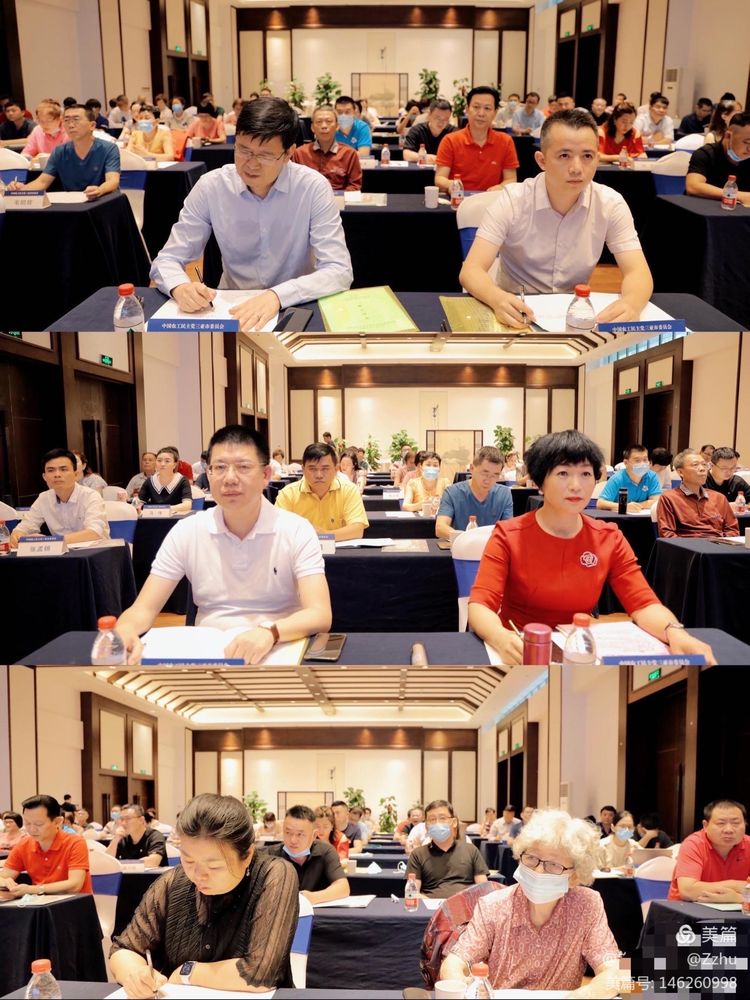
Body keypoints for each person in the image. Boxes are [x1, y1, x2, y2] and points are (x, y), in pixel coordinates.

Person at [467, 430, 716, 665]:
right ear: (540, 481)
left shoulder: (608, 537)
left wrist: (675, 632)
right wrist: (501, 639)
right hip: (521, 648)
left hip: (579, 650)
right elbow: (480, 604)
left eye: (586, 474)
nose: (576, 485)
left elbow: (643, 603)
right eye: (563, 473)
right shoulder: (509, 535)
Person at [115, 425, 331, 665]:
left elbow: (320, 613)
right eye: (219, 467)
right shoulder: (188, 531)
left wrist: (270, 632)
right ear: (208, 473)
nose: (229, 478)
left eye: (243, 467)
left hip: (279, 651)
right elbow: (143, 609)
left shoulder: (296, 530)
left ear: (266, 475)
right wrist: (125, 631)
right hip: (210, 656)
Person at [150, 97, 353, 332]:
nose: (251, 164)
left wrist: (277, 296)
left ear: (289, 153)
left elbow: (339, 270)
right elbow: (167, 259)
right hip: (232, 306)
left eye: (265, 155)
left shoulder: (312, 188)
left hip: (295, 305)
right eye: (243, 150)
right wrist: (180, 287)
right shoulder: (211, 186)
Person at [460, 110, 653, 329]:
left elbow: (637, 272)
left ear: (597, 159)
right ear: (541, 160)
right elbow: (472, 270)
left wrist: (631, 304)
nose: (577, 168)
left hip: (573, 315)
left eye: (587, 156)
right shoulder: (513, 200)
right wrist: (497, 298)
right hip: (516, 312)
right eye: (564, 156)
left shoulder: (610, 204)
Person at [109, 793, 299, 995]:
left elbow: (259, 973)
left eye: (214, 866)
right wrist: (135, 974)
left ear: (247, 856)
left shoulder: (273, 874)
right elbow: (123, 949)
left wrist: (187, 972)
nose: (198, 875)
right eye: (189, 860)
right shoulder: (173, 882)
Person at [440, 810, 622, 996]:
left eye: (554, 865)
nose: (538, 871)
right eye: (531, 858)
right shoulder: (493, 905)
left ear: (574, 876)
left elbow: (618, 972)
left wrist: (582, 996)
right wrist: (459, 985)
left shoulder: (587, 904)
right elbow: (453, 963)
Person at [12, 104, 120, 199]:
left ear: (92, 125)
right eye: (67, 120)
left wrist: (99, 190)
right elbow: (42, 182)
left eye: (76, 120)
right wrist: (22, 189)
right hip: (72, 203)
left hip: (102, 201)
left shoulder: (109, 148)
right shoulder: (60, 151)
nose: (71, 125)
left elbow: (112, 180)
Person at [9, 448, 109, 549]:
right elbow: (25, 526)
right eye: (51, 470)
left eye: (63, 469)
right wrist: (17, 534)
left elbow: (94, 532)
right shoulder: (44, 498)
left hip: (95, 553)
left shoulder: (90, 496)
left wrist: (50, 541)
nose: (57, 475)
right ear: (44, 477)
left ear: (75, 474)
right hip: (61, 554)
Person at [0, 794, 92, 896]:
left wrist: (32, 889)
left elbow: (75, 885)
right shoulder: (24, 845)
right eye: (27, 823)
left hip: (73, 902)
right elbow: (3, 876)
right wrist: (4, 882)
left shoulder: (75, 843)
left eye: (38, 824)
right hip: (39, 903)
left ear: (57, 822)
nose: (32, 829)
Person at [275, 441, 369, 540]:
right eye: (312, 469)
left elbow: (357, 530)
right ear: (303, 469)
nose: (319, 475)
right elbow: (278, 530)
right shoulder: (288, 494)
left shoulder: (349, 490)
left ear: (336, 469)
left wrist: (325, 535)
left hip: (338, 549)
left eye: (325, 469)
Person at [435, 86, 518, 193]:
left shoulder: (505, 141)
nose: (481, 113)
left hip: (491, 200)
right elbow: (440, 178)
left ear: (495, 113)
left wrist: (501, 187)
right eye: (476, 107)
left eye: (487, 108)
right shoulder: (450, 140)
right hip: (459, 200)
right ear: (467, 109)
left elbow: (511, 179)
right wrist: (450, 184)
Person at [668, 799, 750, 902]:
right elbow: (688, 891)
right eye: (721, 823)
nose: (729, 830)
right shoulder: (693, 844)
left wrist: (739, 898)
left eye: (736, 823)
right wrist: (736, 885)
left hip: (737, 908)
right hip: (687, 907)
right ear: (705, 826)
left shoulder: (748, 844)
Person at [264, 805, 349, 903]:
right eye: (288, 832)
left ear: (314, 835)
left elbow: (343, 887)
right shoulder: (270, 855)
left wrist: (312, 897)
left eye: (300, 834)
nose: (293, 840)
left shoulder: (326, 851)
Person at [405, 799, 488, 898]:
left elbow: (484, 889)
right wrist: (433, 903)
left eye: (442, 818)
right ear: (426, 826)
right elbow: (411, 894)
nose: (437, 823)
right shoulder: (418, 854)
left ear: (454, 822)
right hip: (430, 906)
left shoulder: (471, 850)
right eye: (432, 819)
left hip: (465, 904)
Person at [657, 448, 738, 538]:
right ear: (680, 472)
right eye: (695, 465)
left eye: (704, 464)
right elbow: (667, 534)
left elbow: (732, 530)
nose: (702, 469)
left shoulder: (719, 498)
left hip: (718, 544)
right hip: (686, 545)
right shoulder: (669, 498)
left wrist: (723, 543)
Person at [436, 445, 513, 539]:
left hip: (491, 546)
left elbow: (508, 529)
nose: (488, 480)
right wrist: (468, 538)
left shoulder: (504, 494)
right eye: (485, 473)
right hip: (461, 545)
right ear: (472, 468)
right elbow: (440, 528)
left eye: (495, 475)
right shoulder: (452, 492)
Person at [292, 105, 362, 191]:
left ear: (337, 126)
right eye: (319, 122)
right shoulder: (299, 153)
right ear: (312, 127)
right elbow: (293, 183)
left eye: (329, 121)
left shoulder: (349, 154)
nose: (324, 126)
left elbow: (354, 186)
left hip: (339, 198)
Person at [686, 111, 750, 205]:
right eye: (747, 142)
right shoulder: (705, 154)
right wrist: (738, 195)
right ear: (728, 136)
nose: (749, 149)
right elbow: (693, 187)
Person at [596, 444, 661, 512]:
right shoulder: (617, 479)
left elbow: (656, 501)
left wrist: (636, 506)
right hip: (620, 517)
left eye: (645, 460)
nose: (642, 464)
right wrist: (624, 506)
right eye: (637, 461)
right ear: (626, 463)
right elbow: (600, 503)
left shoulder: (652, 477)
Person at [136, 446, 193, 513]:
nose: (162, 464)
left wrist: (163, 509)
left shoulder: (182, 480)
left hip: (177, 518)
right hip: (154, 518)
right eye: (159, 460)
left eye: (167, 461)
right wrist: (136, 506)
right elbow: (139, 503)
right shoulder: (150, 481)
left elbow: (187, 505)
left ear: (174, 464)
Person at [403, 99, 455, 163]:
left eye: (446, 119)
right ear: (429, 115)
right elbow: (407, 154)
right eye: (438, 118)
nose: (441, 123)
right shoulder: (417, 130)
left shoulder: (454, 133)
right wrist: (427, 158)